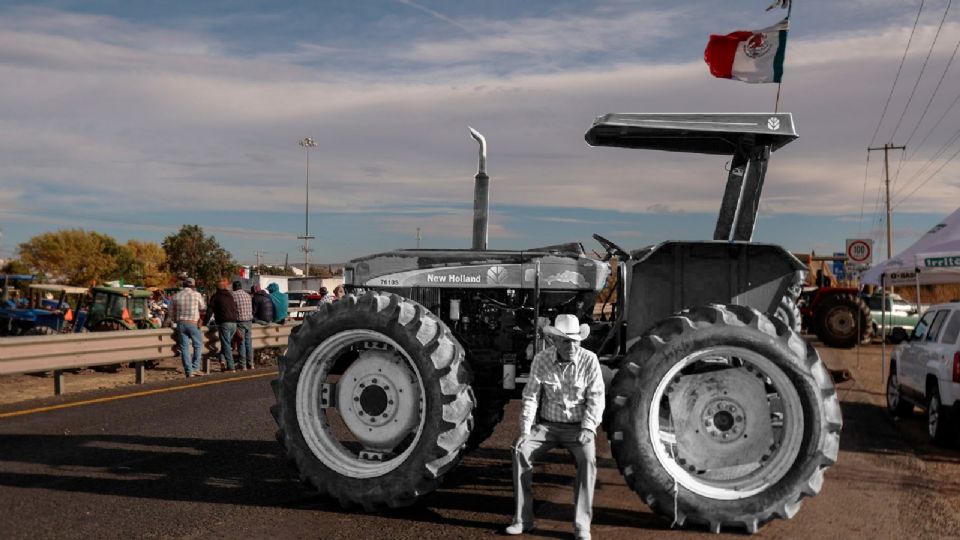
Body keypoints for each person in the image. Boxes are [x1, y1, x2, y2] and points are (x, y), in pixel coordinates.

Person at [506, 314, 604, 540]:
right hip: (547, 427)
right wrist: (525, 429)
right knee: (520, 449)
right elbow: (530, 396)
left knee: (588, 460)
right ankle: (522, 519)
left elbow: (596, 398)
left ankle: (582, 526)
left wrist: (589, 428)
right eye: (566, 341)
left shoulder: (590, 360)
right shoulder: (541, 360)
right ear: (555, 341)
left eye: (575, 340)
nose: (572, 345)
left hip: (578, 428)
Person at [165, 278, 206, 378]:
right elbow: (203, 308)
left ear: (183, 285)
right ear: (193, 286)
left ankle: (188, 371)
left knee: (184, 348)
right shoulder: (197, 295)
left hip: (181, 324)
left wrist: (175, 319)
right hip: (193, 323)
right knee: (197, 345)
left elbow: (170, 311)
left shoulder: (176, 296)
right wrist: (201, 320)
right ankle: (195, 368)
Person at [203, 278, 240, 372]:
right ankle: (222, 361)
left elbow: (209, 311)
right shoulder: (230, 295)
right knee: (225, 344)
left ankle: (231, 366)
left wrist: (204, 323)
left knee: (226, 344)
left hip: (224, 323)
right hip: (234, 323)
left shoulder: (216, 297)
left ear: (217, 288)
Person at [231, 280, 254, 370]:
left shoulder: (233, 295)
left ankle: (243, 364)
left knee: (241, 343)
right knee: (248, 343)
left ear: (234, 287)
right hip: (249, 321)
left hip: (240, 322)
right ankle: (251, 364)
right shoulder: (248, 295)